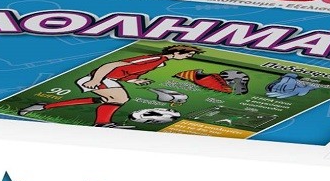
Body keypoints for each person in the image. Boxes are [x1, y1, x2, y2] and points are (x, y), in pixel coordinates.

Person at [19, 45, 201, 127]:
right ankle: (102, 124)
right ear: (177, 52)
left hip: (109, 79)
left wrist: (134, 81)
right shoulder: (154, 58)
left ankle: (43, 106)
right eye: (187, 55)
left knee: (111, 100)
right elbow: (111, 65)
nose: (188, 57)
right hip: (102, 77)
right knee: (120, 99)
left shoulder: (159, 62)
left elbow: (128, 72)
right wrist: (95, 80)